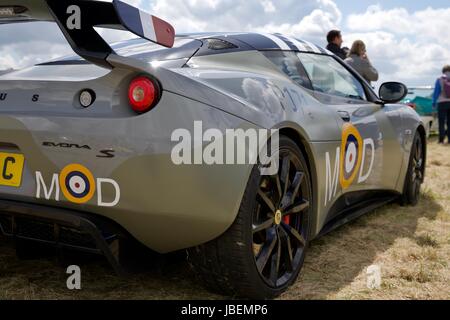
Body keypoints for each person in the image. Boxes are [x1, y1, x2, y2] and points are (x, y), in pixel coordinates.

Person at [432, 65, 450, 144]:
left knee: (441, 122)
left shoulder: (440, 79)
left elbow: (436, 92)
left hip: (442, 102)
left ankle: (441, 140)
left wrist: (434, 102)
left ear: (443, 71)